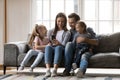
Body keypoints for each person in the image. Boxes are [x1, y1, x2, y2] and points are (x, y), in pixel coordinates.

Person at [63, 13, 99, 77]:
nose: (70, 25)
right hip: (77, 49)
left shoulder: (88, 30)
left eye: (72, 23)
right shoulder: (70, 32)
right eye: (69, 23)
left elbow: (96, 42)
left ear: (78, 21)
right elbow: (69, 45)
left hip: (86, 49)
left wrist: (85, 40)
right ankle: (67, 69)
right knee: (69, 44)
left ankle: (81, 71)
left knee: (84, 56)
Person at [44, 12, 71, 77]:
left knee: (58, 47)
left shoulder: (67, 33)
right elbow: (47, 41)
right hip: (52, 47)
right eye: (58, 21)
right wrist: (48, 42)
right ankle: (48, 70)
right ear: (56, 21)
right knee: (48, 47)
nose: (60, 23)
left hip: (61, 47)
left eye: (62, 21)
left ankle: (55, 70)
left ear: (65, 22)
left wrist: (58, 43)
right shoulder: (50, 31)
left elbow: (64, 45)